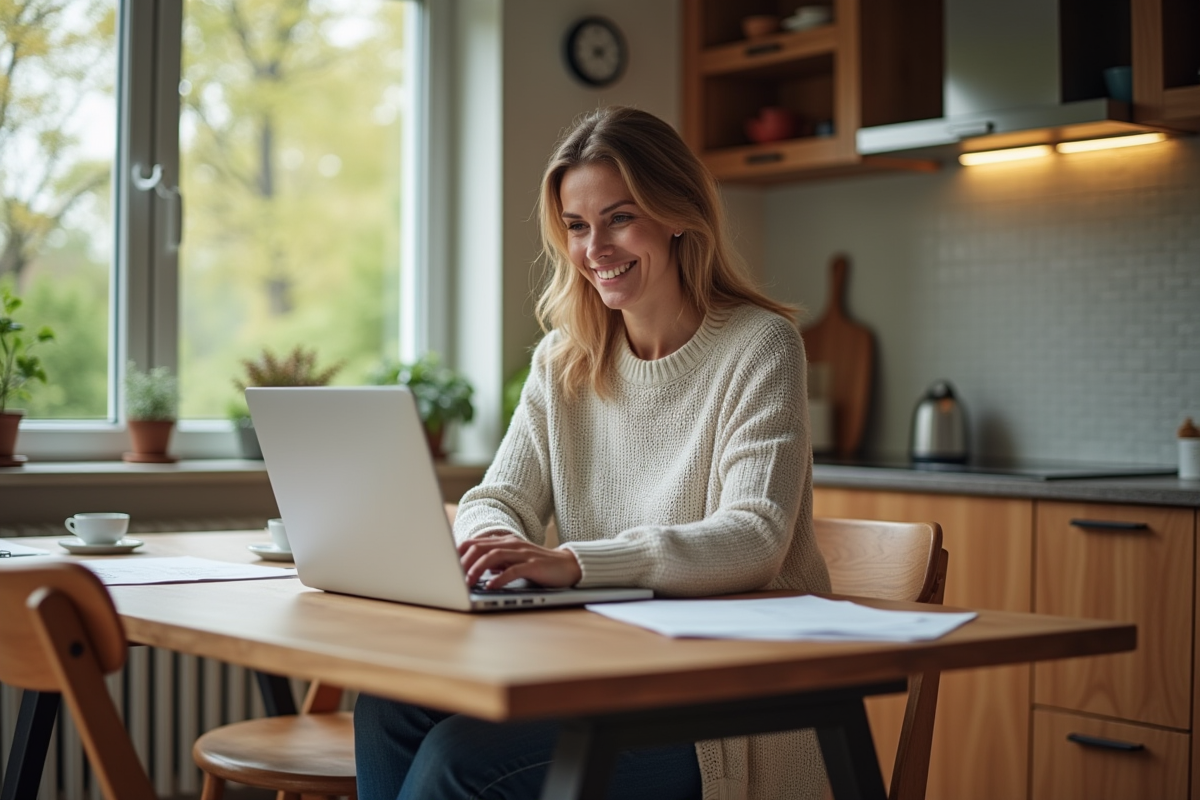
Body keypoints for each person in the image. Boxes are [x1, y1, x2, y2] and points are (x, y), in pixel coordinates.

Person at [354, 106, 831, 800]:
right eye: (576, 226)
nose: (595, 248)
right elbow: (495, 499)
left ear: (677, 215)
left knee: (462, 761)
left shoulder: (759, 346)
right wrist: (494, 549)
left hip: (726, 706)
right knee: (387, 708)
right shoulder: (565, 359)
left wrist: (576, 563)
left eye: (619, 218)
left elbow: (755, 537)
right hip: (600, 670)